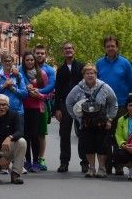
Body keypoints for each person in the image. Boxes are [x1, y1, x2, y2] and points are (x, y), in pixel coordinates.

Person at [66, 64, 118, 178]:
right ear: (83, 75)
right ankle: (91, 168)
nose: (90, 75)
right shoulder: (78, 88)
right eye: (87, 73)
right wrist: (77, 118)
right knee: (88, 146)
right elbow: (68, 102)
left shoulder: (104, 87)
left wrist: (110, 119)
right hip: (85, 122)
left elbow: (113, 102)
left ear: (96, 74)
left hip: (101, 122)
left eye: (92, 73)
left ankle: (102, 168)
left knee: (102, 146)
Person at [96, 35, 132, 175]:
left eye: (113, 46)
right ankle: (106, 166)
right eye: (108, 46)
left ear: (117, 47)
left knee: (120, 137)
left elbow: (131, 83)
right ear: (105, 48)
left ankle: (119, 165)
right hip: (103, 107)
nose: (110, 48)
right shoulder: (99, 63)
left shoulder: (125, 63)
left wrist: (122, 95)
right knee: (105, 137)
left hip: (121, 105)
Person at [54, 42, 86, 173]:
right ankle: (64, 162)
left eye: (70, 48)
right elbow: (57, 90)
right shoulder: (61, 69)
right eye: (66, 49)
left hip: (80, 104)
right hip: (65, 105)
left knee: (82, 134)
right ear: (63, 52)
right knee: (64, 134)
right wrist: (57, 109)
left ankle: (85, 162)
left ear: (74, 50)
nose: (68, 51)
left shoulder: (81, 66)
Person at [20, 51, 49, 173]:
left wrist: (39, 95)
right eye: (27, 60)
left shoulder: (41, 74)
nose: (30, 62)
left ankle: (36, 161)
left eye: (32, 60)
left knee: (35, 135)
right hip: (23, 107)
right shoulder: (20, 74)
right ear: (24, 61)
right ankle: (27, 160)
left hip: (36, 108)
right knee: (25, 135)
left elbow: (48, 93)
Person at [32, 44, 56, 171]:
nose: (40, 55)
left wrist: (38, 92)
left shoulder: (50, 70)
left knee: (41, 133)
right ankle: (28, 159)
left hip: (42, 104)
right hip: (28, 103)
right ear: (33, 54)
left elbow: (51, 86)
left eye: (42, 53)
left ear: (45, 55)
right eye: (37, 53)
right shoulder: (26, 67)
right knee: (28, 133)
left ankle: (41, 157)